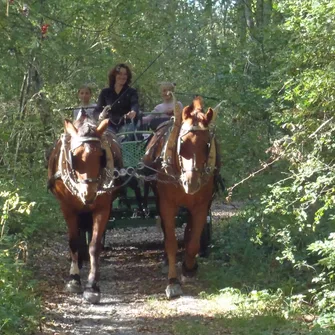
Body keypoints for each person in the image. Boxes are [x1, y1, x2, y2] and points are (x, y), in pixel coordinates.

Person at [93, 63, 139, 139]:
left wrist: (133, 111)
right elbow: (97, 111)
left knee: (124, 136)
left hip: (126, 124)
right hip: (109, 125)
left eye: (125, 74)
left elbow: (135, 104)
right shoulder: (105, 92)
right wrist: (100, 115)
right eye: (120, 74)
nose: (122, 77)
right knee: (105, 137)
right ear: (114, 76)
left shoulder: (132, 92)